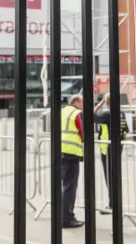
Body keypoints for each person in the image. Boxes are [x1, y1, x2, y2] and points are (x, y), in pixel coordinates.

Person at [93, 93, 129, 213]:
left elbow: (90, 116)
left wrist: (100, 104)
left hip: (108, 149)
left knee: (110, 178)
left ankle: (113, 205)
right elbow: (125, 131)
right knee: (114, 177)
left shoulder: (107, 113)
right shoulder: (120, 113)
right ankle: (113, 204)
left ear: (106, 101)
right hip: (117, 148)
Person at [60, 94, 85, 228]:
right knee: (70, 186)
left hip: (60, 150)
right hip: (72, 152)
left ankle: (62, 216)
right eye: (82, 102)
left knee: (65, 185)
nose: (83, 105)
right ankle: (67, 218)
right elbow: (83, 132)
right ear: (76, 101)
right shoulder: (76, 113)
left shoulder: (63, 111)